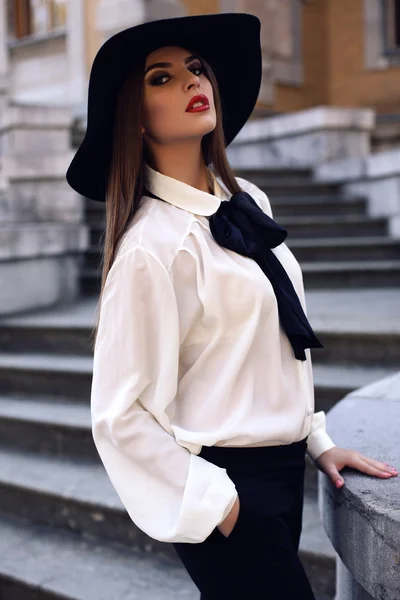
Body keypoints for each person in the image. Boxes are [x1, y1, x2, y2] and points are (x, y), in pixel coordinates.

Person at [66, 12, 398, 599]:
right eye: (161, 78)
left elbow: (270, 345)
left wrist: (315, 440)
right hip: (225, 489)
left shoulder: (247, 200)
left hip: (279, 473)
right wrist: (219, 503)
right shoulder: (152, 247)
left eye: (196, 70)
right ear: (134, 118)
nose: (193, 83)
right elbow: (119, 415)